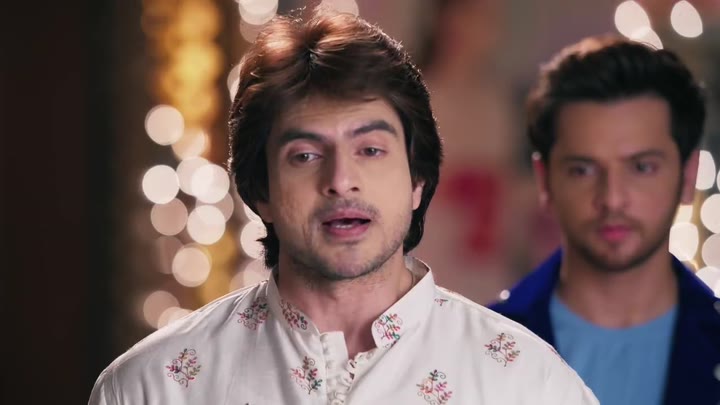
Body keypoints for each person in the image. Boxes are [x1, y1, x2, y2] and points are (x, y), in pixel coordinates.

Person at [89, 9, 597, 404]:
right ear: (261, 191)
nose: (340, 181)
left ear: (417, 181)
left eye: (370, 150)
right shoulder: (152, 386)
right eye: (305, 155)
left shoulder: (527, 382)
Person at [490, 35, 720, 405]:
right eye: (582, 170)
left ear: (688, 176)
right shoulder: (476, 349)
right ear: (545, 181)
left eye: (642, 167)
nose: (612, 198)